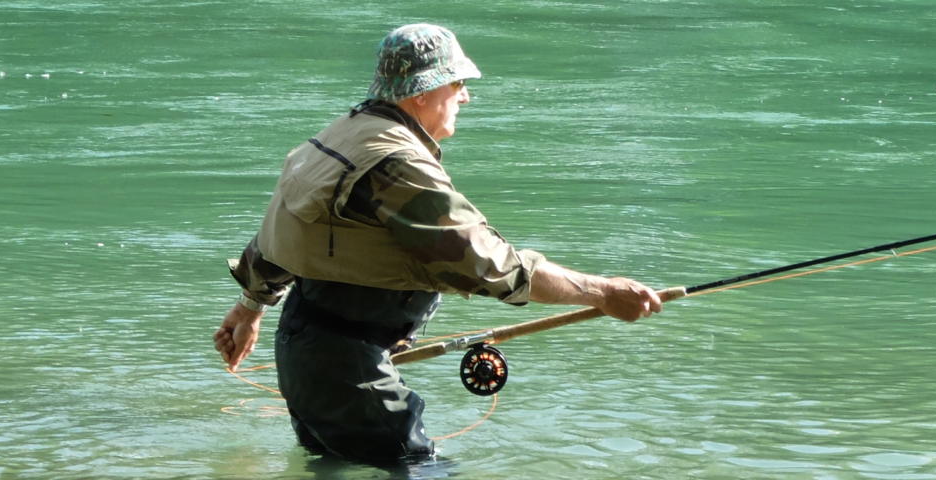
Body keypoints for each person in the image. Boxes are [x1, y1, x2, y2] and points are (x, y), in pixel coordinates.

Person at [212, 24, 663, 464]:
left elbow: (283, 236)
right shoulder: (396, 162)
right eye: (457, 84)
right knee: (419, 468)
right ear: (421, 92)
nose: (465, 96)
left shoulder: (342, 134)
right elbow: (489, 265)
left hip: (306, 348)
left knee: (333, 467)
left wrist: (250, 307)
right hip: (344, 366)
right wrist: (603, 293)